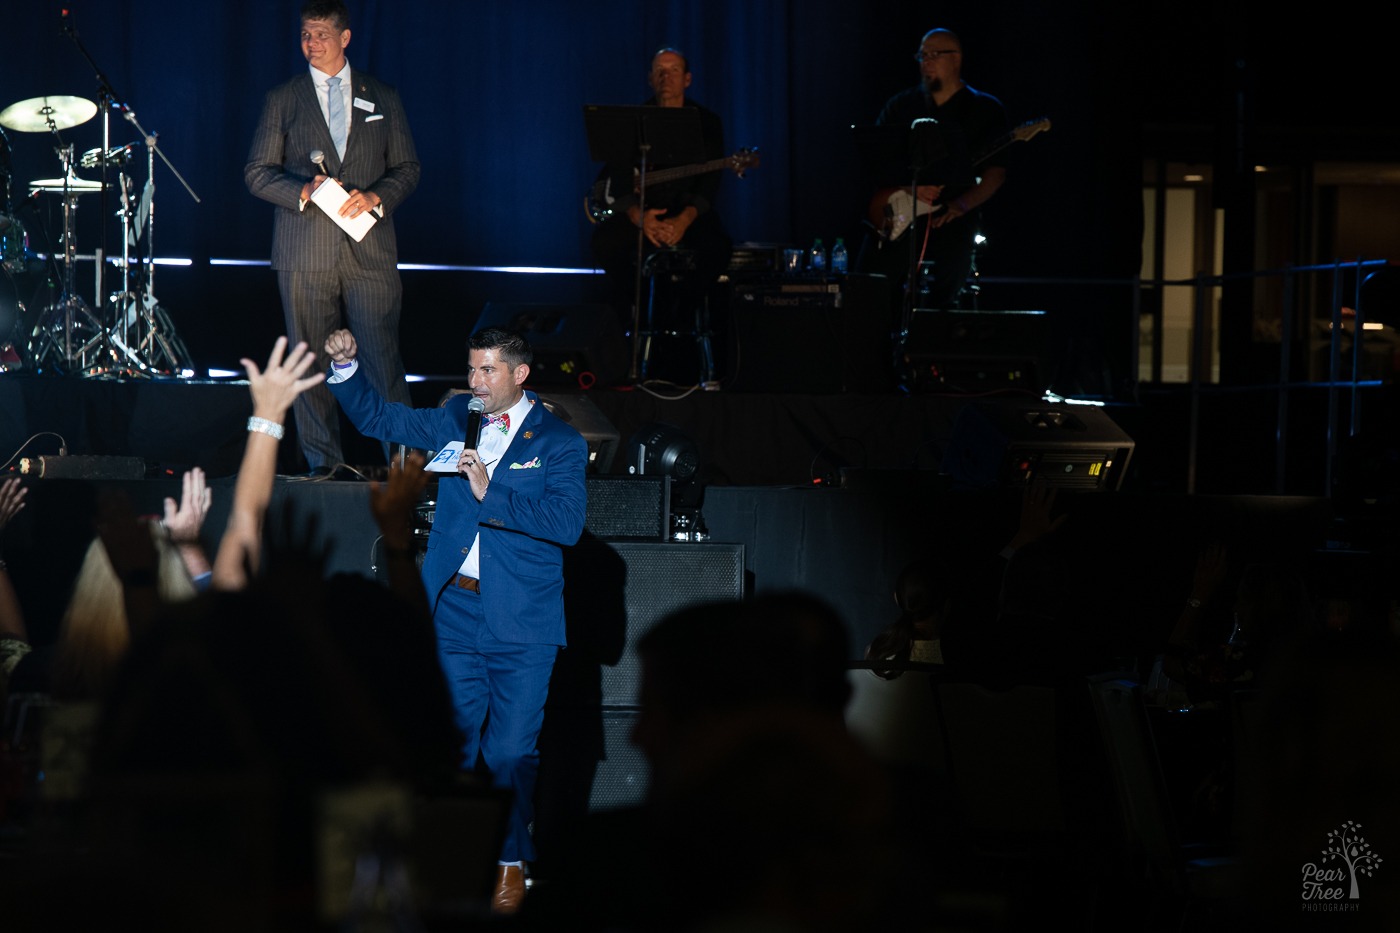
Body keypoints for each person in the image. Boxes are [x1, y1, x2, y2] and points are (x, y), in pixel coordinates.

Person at [322, 324, 588, 914]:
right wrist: (345, 369)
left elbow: (567, 524)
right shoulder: (453, 415)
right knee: (451, 746)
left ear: (519, 375)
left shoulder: (560, 442)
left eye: (487, 371)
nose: (474, 382)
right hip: (454, 610)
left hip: (522, 622)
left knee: (511, 754)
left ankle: (510, 858)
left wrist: (489, 491)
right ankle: (452, 864)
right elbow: (380, 420)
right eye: (470, 369)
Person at [244, 0, 421, 476]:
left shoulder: (382, 95)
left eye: (321, 34)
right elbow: (257, 173)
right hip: (305, 252)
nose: (311, 43)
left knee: (384, 362)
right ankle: (325, 472)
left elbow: (408, 169)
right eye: (305, 34)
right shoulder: (283, 97)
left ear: (345, 38)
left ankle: (406, 475)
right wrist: (303, 188)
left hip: (370, 251)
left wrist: (376, 198)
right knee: (311, 369)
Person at [856, 28, 1010, 332]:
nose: (927, 62)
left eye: (935, 54)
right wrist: (907, 186)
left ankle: (937, 339)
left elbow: (996, 172)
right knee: (872, 275)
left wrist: (962, 204)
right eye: (922, 55)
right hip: (903, 213)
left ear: (957, 59)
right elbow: (877, 162)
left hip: (953, 215)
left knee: (951, 270)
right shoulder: (901, 106)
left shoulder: (985, 109)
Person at [590, 48, 733, 345]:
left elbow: (710, 182)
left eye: (674, 70)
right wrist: (638, 217)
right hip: (644, 215)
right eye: (659, 70)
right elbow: (617, 176)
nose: (666, 77)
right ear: (651, 78)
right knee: (605, 243)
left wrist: (684, 219)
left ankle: (679, 316)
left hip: (689, 214)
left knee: (717, 247)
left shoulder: (707, 122)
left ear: (688, 79)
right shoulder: (633, 121)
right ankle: (641, 309)